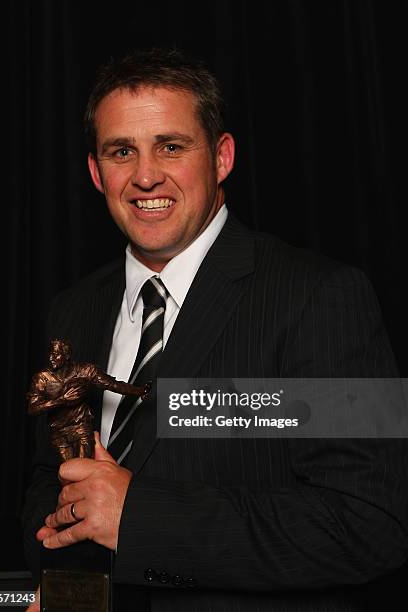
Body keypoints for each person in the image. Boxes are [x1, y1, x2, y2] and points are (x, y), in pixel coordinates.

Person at [22, 48, 408, 611]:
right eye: (121, 151)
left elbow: (372, 521)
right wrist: (66, 579)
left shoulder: (321, 296)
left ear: (222, 157)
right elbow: (45, 482)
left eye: (171, 147)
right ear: (94, 171)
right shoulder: (73, 310)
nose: (145, 175)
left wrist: (140, 518)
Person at [27, 338, 146, 461]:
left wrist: (140, 391)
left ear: (67, 356)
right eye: (50, 353)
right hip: (59, 431)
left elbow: (112, 385)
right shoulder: (42, 378)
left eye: (56, 354)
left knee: (84, 466)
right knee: (70, 472)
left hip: (80, 426)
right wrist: (62, 399)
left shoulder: (85, 371)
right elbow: (32, 409)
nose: (51, 358)